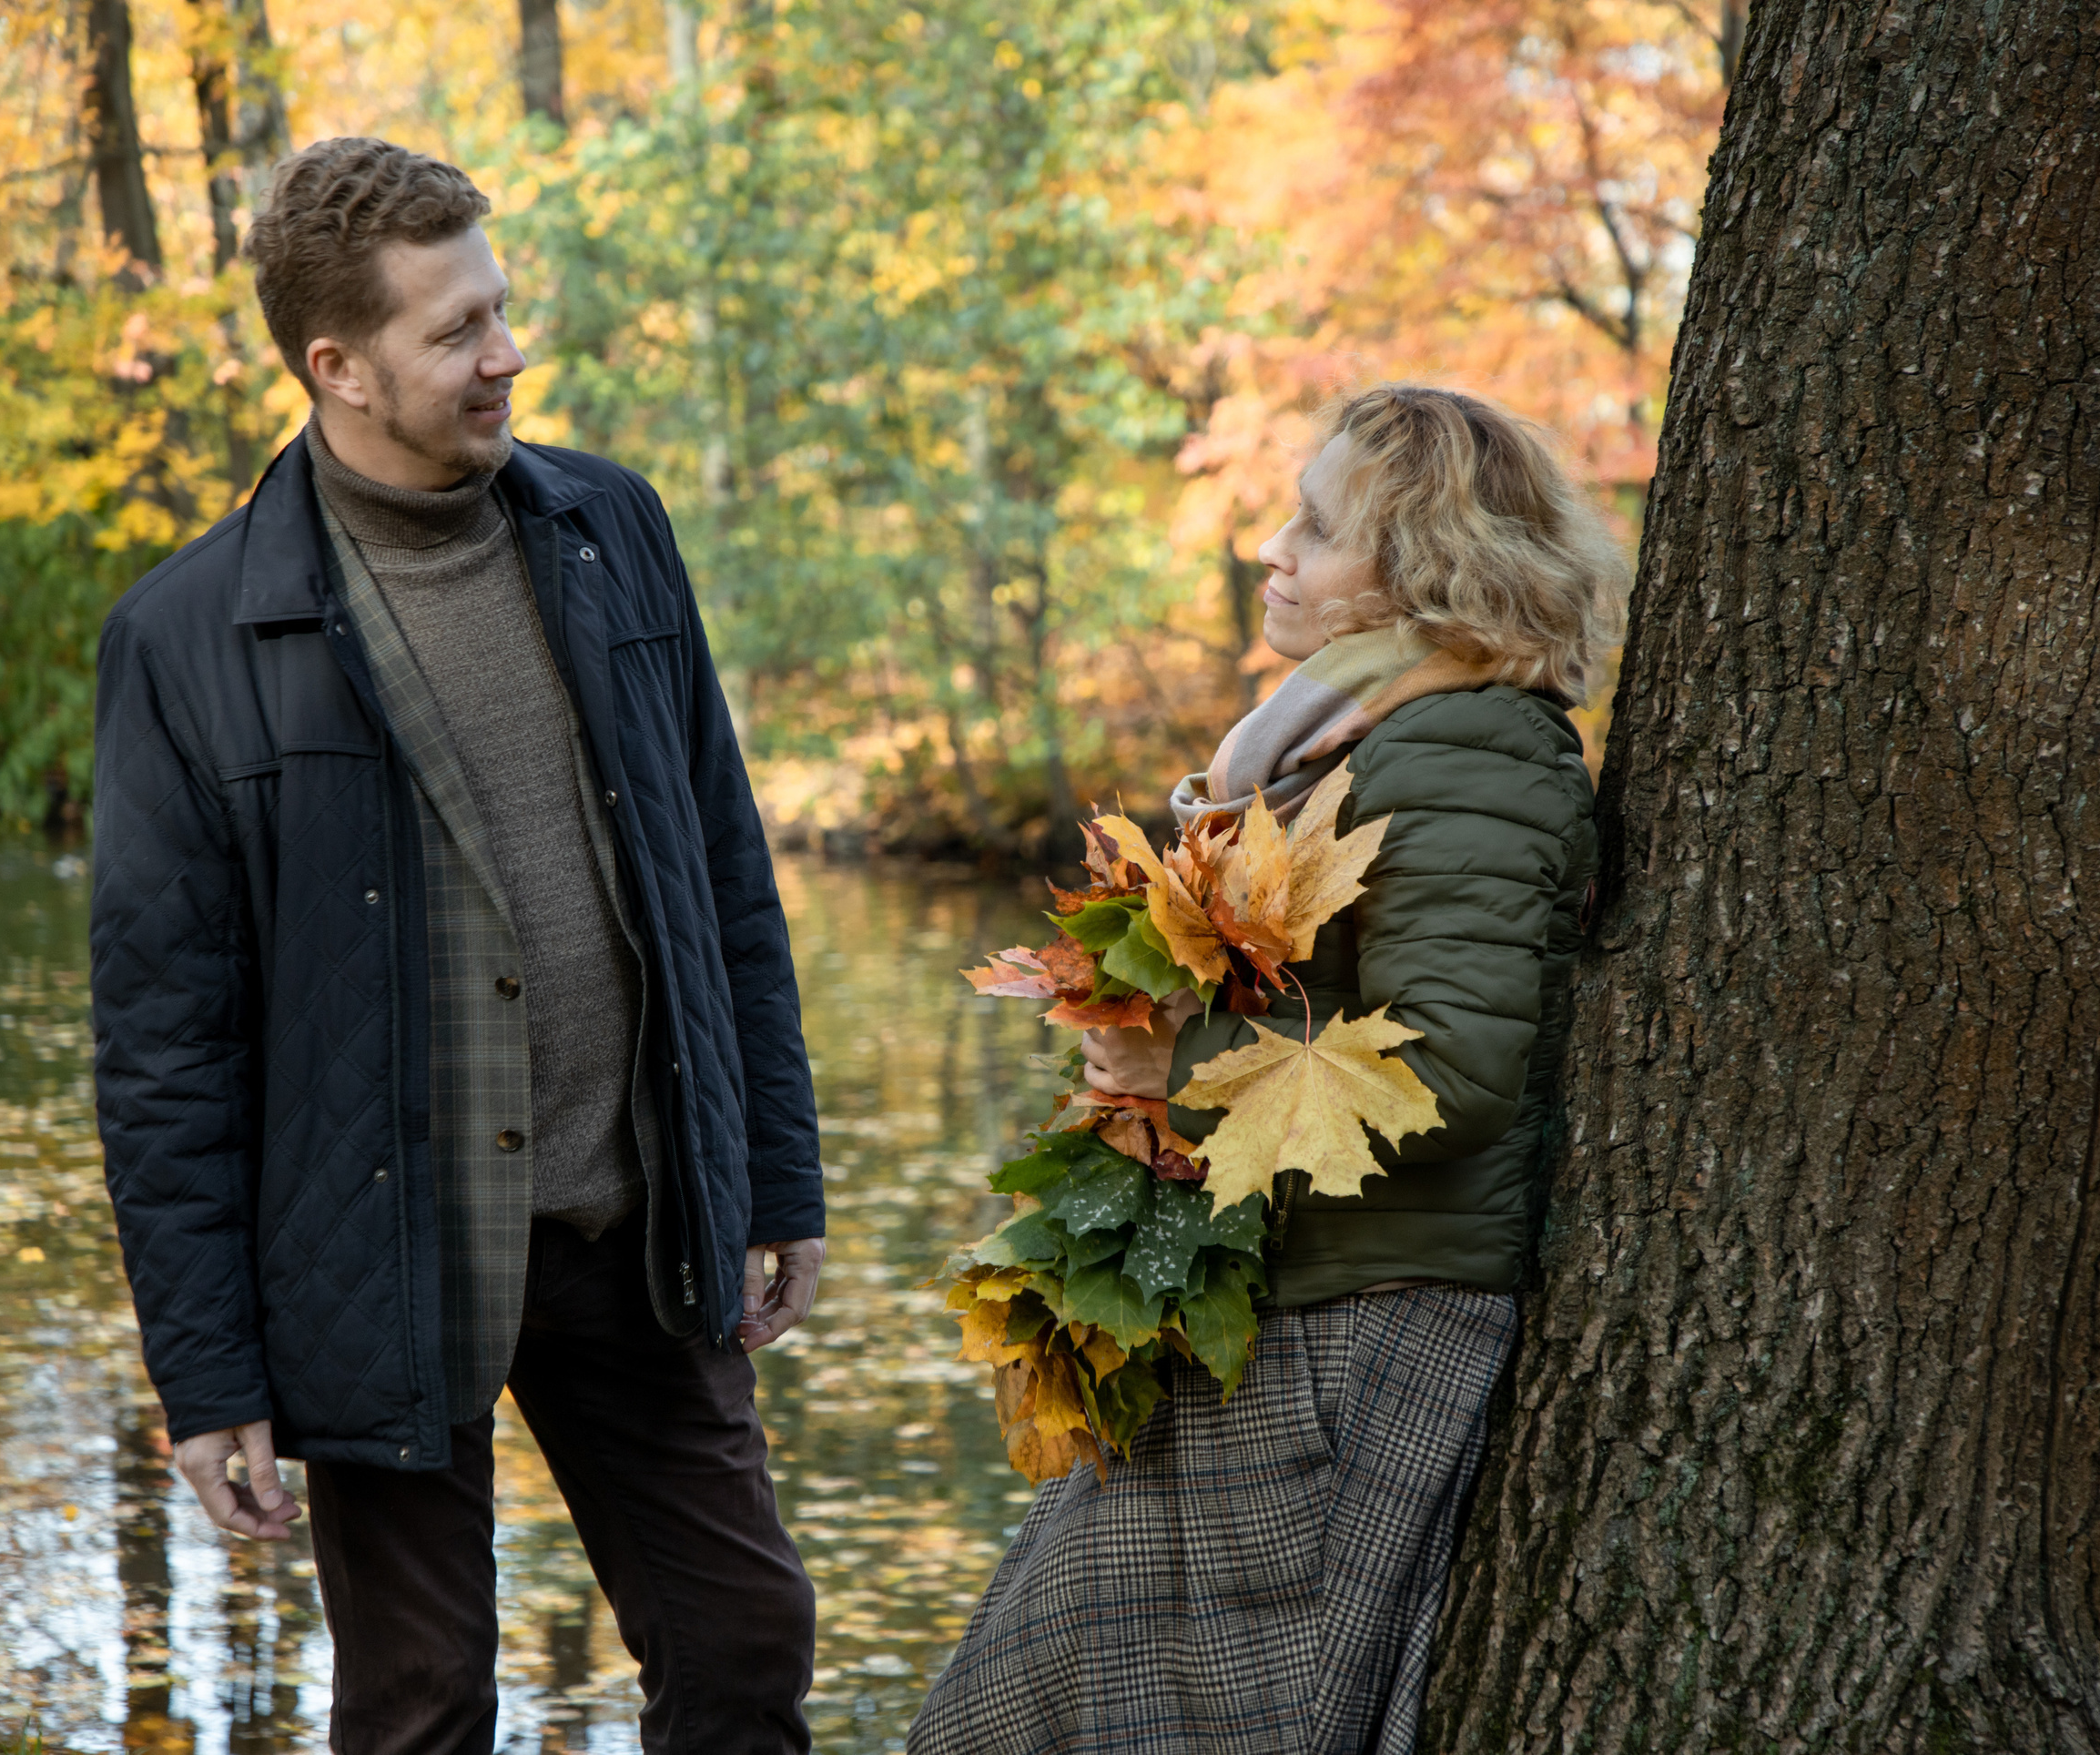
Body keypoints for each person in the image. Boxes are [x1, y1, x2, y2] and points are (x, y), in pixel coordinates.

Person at [89, 137, 824, 1755]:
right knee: (421, 1707)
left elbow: (719, 864)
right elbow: (165, 1046)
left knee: (747, 1646)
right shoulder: (187, 640)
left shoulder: (608, 526)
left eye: (500, 308)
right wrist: (207, 1374)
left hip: (640, 1222)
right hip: (384, 1261)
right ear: (336, 367)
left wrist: (774, 1172)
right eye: (456, 332)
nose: (507, 354)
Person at [910, 383, 1626, 1754]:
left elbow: (1452, 1072)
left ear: (1422, 570)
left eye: (1316, 529)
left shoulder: (1472, 755)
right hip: (1285, 1315)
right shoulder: (1353, 737)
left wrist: (1182, 1059)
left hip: (1363, 1336)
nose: (1271, 551)